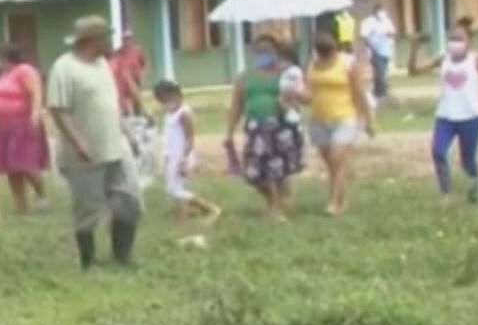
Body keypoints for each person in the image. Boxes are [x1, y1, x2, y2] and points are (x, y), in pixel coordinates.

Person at [48, 17, 142, 269]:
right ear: (92, 40)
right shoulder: (64, 67)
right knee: (88, 208)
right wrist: (78, 141)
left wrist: (128, 133)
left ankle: (123, 256)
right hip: (84, 153)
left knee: (130, 199)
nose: (110, 42)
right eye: (105, 37)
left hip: (115, 145)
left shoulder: (102, 65)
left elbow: (111, 105)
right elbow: (58, 109)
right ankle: (88, 262)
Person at [225, 34, 305, 221]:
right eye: (259, 51)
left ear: (276, 52)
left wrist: (292, 95)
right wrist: (229, 132)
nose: (263, 55)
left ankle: (277, 209)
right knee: (252, 173)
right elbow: (236, 106)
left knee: (277, 171)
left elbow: (302, 97)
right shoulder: (244, 77)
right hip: (255, 128)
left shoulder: (284, 74)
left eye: (267, 51)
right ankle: (273, 200)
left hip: (279, 126)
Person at [409, 26, 478, 204]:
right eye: (451, 39)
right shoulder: (443, 58)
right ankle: (445, 191)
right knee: (438, 151)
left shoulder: (476, 60)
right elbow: (414, 71)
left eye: (459, 39)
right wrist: (414, 48)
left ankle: (473, 185)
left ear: (469, 41)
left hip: (470, 117)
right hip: (445, 116)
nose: (455, 43)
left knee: (467, 159)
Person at [300, 29, 373, 216]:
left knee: (337, 158)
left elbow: (358, 91)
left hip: (345, 116)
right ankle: (341, 197)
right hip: (318, 118)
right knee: (332, 164)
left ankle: (332, 203)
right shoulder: (311, 65)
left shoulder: (347, 63)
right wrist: (298, 95)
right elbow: (308, 94)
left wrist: (367, 118)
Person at [0, 44, 50, 214]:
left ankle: (41, 194)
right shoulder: (3, 76)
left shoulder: (25, 70)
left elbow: (36, 92)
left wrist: (36, 113)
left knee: (25, 164)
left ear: (8, 58)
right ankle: (20, 206)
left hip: (21, 123)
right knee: (11, 167)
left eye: (0, 58)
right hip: (3, 125)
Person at [154, 81, 222, 224]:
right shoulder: (169, 114)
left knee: (177, 189)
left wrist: (183, 160)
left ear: (175, 95)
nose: (164, 103)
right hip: (172, 156)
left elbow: (190, 138)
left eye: (165, 98)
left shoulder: (184, 113)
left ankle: (208, 210)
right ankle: (186, 215)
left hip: (181, 156)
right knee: (174, 188)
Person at [361, 4, 397, 103]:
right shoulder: (368, 22)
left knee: (382, 73)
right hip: (375, 51)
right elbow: (364, 36)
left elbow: (392, 32)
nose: (382, 13)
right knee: (380, 73)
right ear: (374, 12)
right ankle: (383, 93)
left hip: (386, 50)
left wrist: (388, 35)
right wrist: (372, 48)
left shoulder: (386, 21)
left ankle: (377, 92)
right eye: (380, 11)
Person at [110, 30, 148, 116]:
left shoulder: (137, 51)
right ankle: (128, 116)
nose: (127, 41)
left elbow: (144, 64)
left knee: (137, 102)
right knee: (126, 103)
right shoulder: (117, 52)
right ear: (122, 40)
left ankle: (139, 116)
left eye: (129, 39)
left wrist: (142, 76)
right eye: (125, 39)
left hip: (136, 81)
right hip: (123, 82)